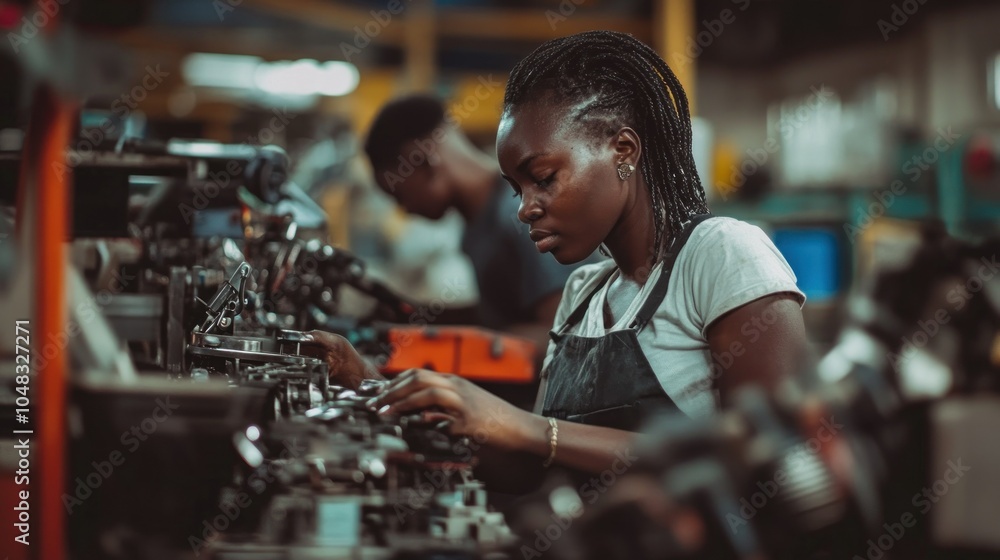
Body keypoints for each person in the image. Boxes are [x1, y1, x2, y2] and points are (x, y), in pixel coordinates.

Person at [305, 30, 810, 492]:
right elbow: (531, 465)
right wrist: (378, 386)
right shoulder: (582, 294)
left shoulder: (720, 255)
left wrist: (527, 426)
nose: (525, 207)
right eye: (515, 188)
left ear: (623, 150)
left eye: (543, 177)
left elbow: (769, 458)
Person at [363, 95, 590, 349]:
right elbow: (498, 322)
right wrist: (411, 315)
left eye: (400, 196)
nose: (405, 210)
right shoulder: (477, 226)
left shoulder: (521, 211)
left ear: (423, 159)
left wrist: (455, 350)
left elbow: (563, 337)